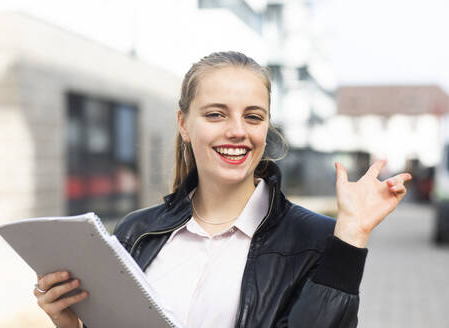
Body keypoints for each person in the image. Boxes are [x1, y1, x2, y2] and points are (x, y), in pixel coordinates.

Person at [33, 51, 412, 328]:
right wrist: (72, 326)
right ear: (184, 123)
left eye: (253, 116)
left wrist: (350, 237)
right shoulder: (136, 232)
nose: (237, 130)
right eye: (216, 114)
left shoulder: (316, 238)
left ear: (266, 127)